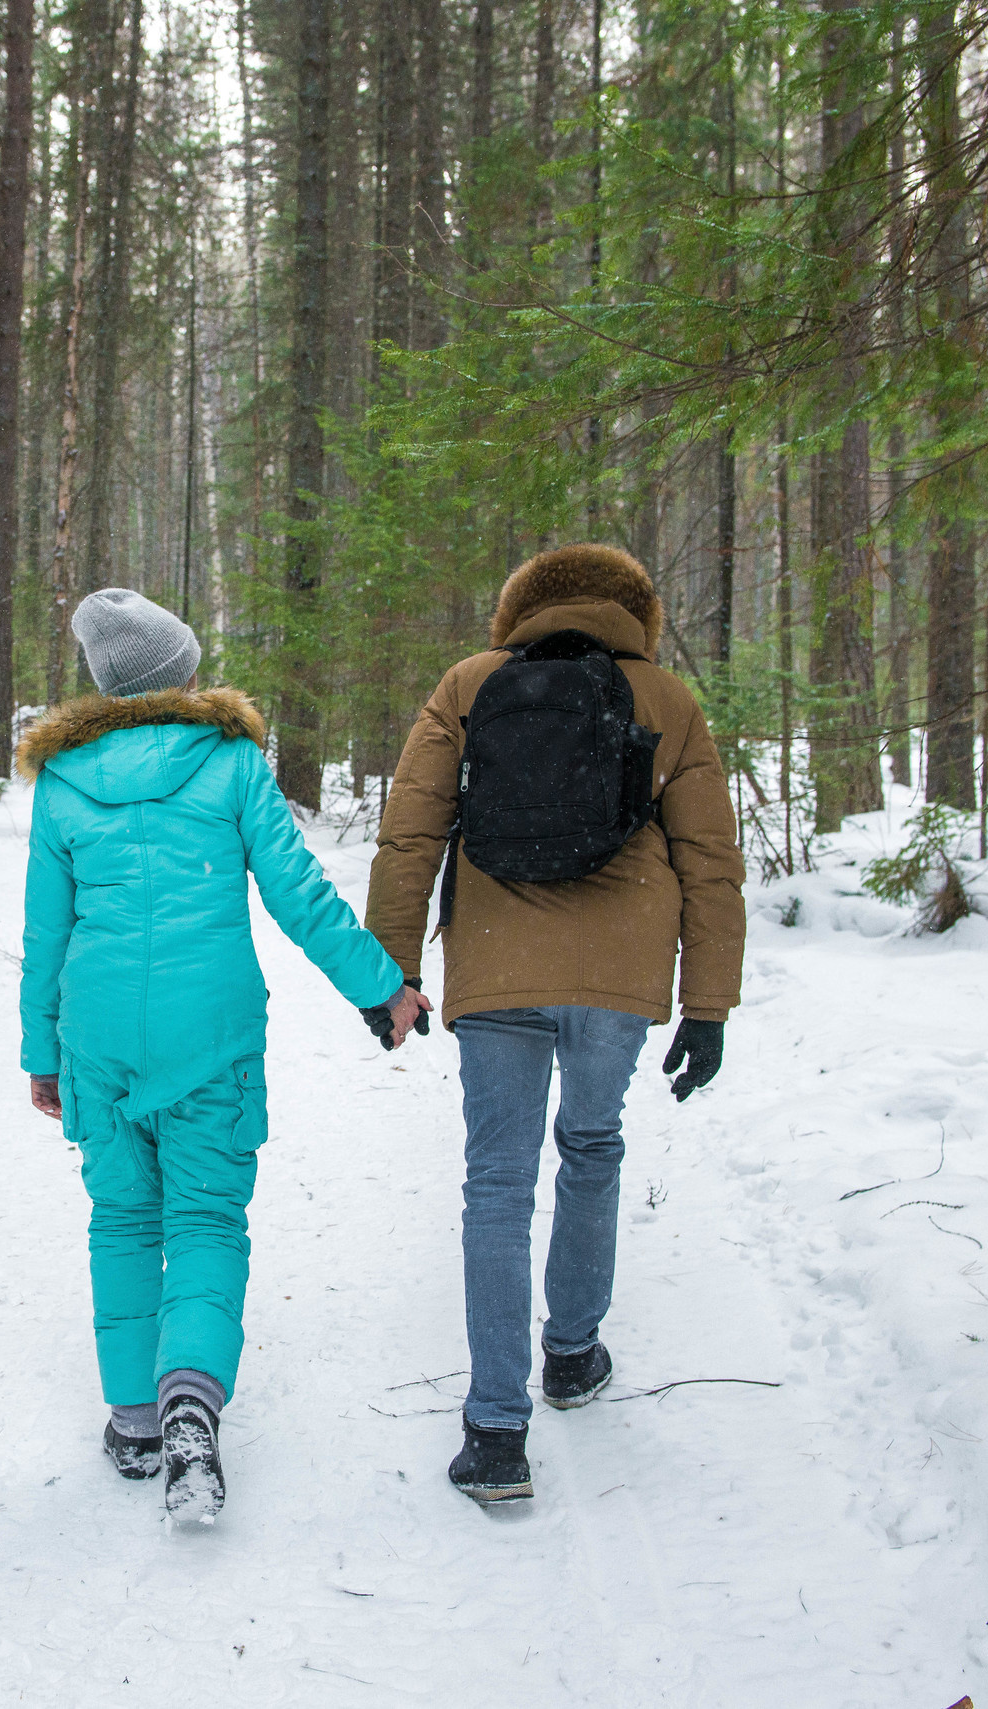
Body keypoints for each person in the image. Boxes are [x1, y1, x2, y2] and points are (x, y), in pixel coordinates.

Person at [19, 587, 429, 1522]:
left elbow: (46, 935)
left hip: (99, 1039)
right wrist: (382, 988)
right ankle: (190, 1406)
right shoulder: (231, 761)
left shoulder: (65, 779)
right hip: (210, 1037)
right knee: (205, 1218)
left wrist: (44, 1054)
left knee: (125, 1219)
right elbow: (299, 893)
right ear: (181, 670)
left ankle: (134, 1421)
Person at [363, 544, 746, 1504]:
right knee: (592, 1142)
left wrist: (390, 971)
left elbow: (411, 832)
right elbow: (709, 858)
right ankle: (572, 1354)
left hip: (496, 960)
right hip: (619, 969)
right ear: (636, 612)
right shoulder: (667, 698)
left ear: (519, 609)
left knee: (497, 1180)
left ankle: (496, 1431)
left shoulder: (469, 684)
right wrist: (707, 1003)